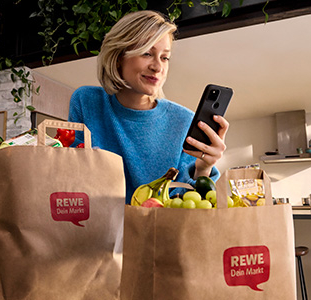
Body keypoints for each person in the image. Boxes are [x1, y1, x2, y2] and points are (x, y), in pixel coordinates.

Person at [68, 10, 229, 204]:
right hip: (96, 229)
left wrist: (204, 168)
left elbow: (189, 205)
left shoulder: (184, 121)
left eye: (164, 57)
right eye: (147, 53)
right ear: (119, 56)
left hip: (160, 232)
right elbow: (71, 174)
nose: (158, 67)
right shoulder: (86, 102)